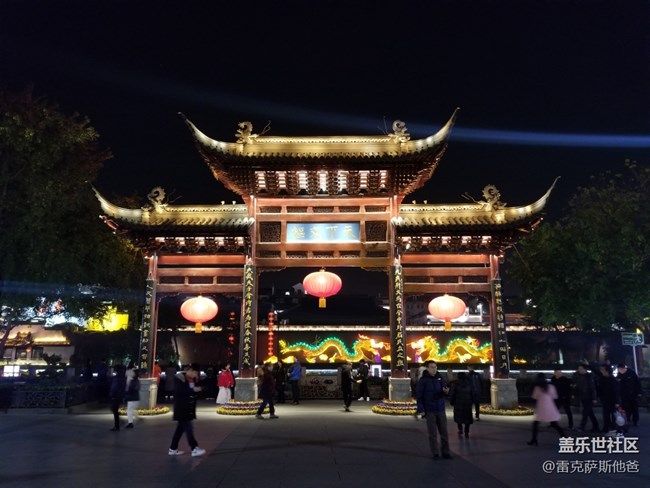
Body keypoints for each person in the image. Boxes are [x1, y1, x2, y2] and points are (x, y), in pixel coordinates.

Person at [416, 360, 452, 460]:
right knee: (432, 433)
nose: (434, 369)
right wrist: (421, 409)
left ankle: (446, 452)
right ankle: (435, 452)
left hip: (440, 408)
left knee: (444, 432)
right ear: (427, 368)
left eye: (435, 367)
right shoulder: (423, 380)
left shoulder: (440, 378)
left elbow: (445, 391)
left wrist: (446, 392)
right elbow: (419, 396)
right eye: (432, 367)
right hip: (430, 410)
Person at [168, 364, 206, 457]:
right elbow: (179, 391)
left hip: (188, 407)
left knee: (180, 429)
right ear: (190, 370)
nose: (196, 375)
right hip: (182, 408)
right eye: (195, 373)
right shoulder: (179, 378)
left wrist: (196, 389)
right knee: (189, 429)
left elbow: (190, 391)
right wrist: (193, 389)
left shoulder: (190, 379)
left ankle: (173, 448)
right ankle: (194, 448)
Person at [527, 373, 566, 445]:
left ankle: (534, 440)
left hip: (541, 408)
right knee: (555, 424)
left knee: (535, 424)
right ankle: (565, 438)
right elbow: (555, 396)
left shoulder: (537, 388)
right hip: (550, 407)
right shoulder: (551, 387)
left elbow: (534, 397)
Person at [574, 363, 599, 432]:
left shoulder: (589, 377)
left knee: (585, 412)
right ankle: (596, 426)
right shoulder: (579, 376)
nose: (579, 370)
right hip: (583, 397)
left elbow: (592, 388)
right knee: (590, 412)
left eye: (580, 368)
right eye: (579, 368)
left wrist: (594, 398)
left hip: (589, 397)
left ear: (585, 369)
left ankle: (582, 426)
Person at [450, 372, 476, 437]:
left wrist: (452, 402)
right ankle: (466, 431)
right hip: (467, 403)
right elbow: (473, 393)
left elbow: (453, 394)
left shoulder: (455, 384)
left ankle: (460, 429)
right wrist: (472, 401)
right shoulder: (469, 384)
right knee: (467, 417)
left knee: (459, 417)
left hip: (458, 403)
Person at [597, 364, 618, 433]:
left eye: (602, 370)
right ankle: (607, 427)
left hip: (612, 400)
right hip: (605, 400)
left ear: (607, 371)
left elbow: (616, 391)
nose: (601, 371)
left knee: (613, 415)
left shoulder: (612, 379)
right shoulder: (602, 378)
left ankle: (613, 428)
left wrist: (617, 402)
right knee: (606, 415)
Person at [109, 364, 126, 431]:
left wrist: (111, 394)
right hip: (120, 395)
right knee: (115, 410)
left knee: (114, 409)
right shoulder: (123, 377)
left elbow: (114, 387)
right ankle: (118, 424)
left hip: (115, 396)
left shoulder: (117, 377)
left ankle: (117, 425)